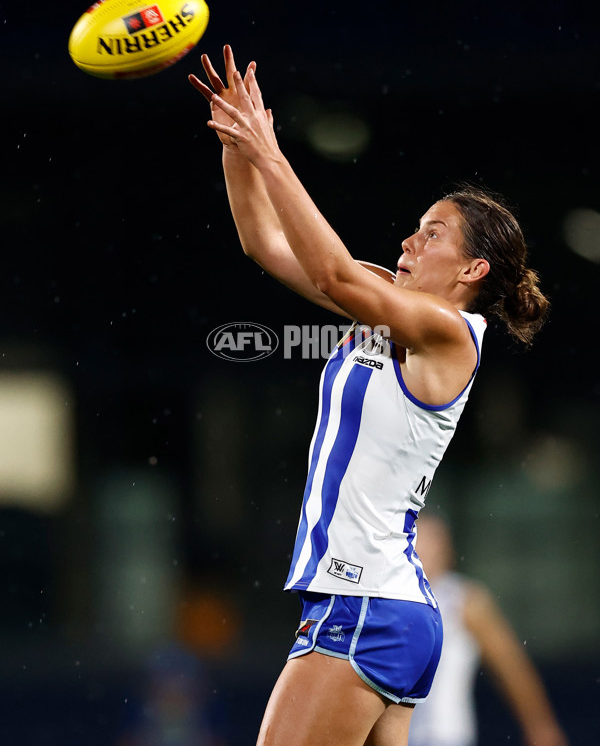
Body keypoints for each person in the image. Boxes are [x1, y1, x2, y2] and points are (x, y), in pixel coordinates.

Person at [188, 46, 550, 746]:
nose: (411, 239)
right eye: (417, 225)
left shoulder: (447, 330)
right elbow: (263, 241)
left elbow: (330, 273)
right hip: (385, 605)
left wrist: (271, 150)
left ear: (473, 268)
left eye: (434, 232)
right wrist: (236, 138)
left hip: (365, 603)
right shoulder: (390, 303)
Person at [407, 514, 569, 746]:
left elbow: (510, 665)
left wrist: (540, 726)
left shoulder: (463, 599)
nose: (423, 550)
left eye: (432, 541)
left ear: (447, 551)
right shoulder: (389, 600)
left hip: (441, 736)